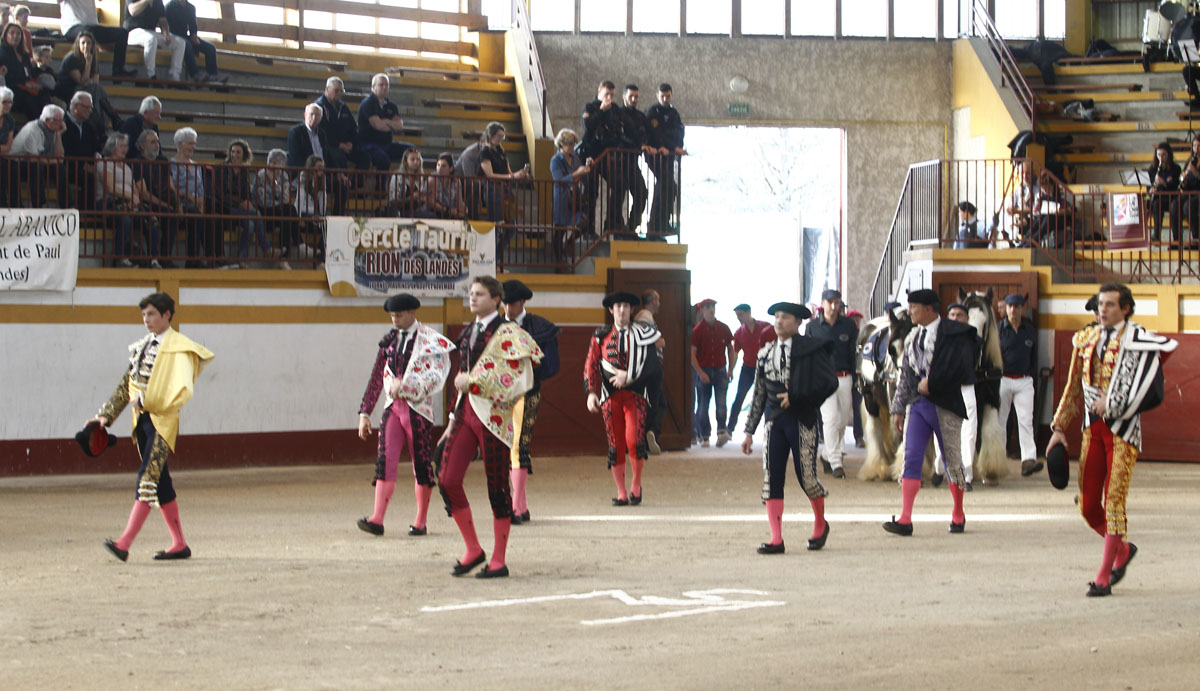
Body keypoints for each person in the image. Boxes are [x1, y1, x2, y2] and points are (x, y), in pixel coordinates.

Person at [1048, 283, 1176, 596]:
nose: (1102, 310)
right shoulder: (1085, 339)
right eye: (1100, 304)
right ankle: (1121, 550)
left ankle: (1104, 576)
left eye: (1109, 305)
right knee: (1089, 505)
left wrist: (1115, 401)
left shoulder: (1139, 340)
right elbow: (1074, 389)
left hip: (1124, 432)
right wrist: (1059, 428)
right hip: (1093, 429)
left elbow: (1145, 383)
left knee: (1114, 502)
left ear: (1126, 309)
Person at [89, 292, 214, 562]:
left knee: (147, 480)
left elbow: (181, 390)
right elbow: (127, 386)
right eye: (144, 315)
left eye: (152, 314)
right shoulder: (144, 345)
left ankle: (124, 543)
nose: (147, 320)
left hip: (162, 422)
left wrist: (145, 399)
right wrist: (105, 417)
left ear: (167, 314)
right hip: (143, 423)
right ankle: (179, 544)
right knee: (162, 485)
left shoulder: (180, 347)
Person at [437, 276, 543, 579]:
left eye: (479, 294)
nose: (473, 298)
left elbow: (516, 379)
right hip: (466, 412)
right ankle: (473, 549)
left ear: (496, 299)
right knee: (446, 478)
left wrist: (472, 382)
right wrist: (453, 416)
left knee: (496, 486)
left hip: (493, 417)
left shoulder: (509, 332)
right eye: (471, 293)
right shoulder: (468, 331)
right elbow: (462, 376)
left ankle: (499, 559)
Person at [740, 301, 837, 554]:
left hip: (802, 418)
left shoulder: (812, 349)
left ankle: (819, 524)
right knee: (772, 478)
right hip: (774, 421)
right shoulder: (764, 353)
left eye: (785, 317)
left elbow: (829, 383)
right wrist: (749, 431)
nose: (779, 321)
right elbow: (759, 394)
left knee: (807, 476)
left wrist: (798, 396)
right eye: (777, 317)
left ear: (798, 323)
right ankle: (776, 538)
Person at [356, 293, 454, 538]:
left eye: (399, 315)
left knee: (421, 465)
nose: (395, 320)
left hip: (418, 410)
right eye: (392, 316)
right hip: (393, 408)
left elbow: (436, 377)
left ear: (412, 313)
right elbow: (377, 376)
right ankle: (377, 518)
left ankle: (420, 521)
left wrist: (407, 387)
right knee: (384, 461)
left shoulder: (431, 341)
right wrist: (365, 412)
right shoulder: (389, 341)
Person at [883, 289, 978, 537]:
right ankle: (905, 518)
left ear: (928, 309)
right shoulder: (913, 336)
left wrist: (933, 383)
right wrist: (898, 408)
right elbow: (906, 375)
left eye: (914, 307)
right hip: (918, 405)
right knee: (911, 457)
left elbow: (962, 368)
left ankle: (958, 512)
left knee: (952, 461)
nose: (910, 311)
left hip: (945, 404)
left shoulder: (954, 333)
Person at [585, 291, 664, 506]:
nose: (622, 310)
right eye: (618, 306)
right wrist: (592, 392)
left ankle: (636, 485)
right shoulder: (600, 335)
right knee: (615, 444)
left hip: (636, 395)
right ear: (611, 310)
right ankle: (621, 492)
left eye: (626, 306)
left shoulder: (643, 334)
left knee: (634, 440)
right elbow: (591, 364)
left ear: (631, 310)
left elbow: (652, 365)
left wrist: (628, 376)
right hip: (610, 398)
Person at [501, 280, 560, 524]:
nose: (507, 309)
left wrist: (529, 366)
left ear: (523, 302)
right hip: (502, 396)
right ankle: (521, 506)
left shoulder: (539, 327)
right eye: (504, 303)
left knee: (518, 446)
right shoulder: (497, 326)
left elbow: (552, 365)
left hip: (527, 392)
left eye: (512, 304)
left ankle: (515, 506)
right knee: (508, 446)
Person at [807, 289, 858, 478]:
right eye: (830, 302)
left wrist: (855, 378)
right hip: (823, 378)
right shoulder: (812, 327)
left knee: (843, 420)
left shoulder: (849, 326)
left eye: (837, 302)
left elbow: (852, 354)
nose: (834, 306)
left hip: (845, 376)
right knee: (830, 419)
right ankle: (836, 462)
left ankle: (827, 454)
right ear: (823, 303)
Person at [931, 303, 979, 490]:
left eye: (960, 315)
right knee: (940, 431)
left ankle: (965, 476)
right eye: (952, 314)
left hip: (966, 387)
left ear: (967, 319)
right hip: (944, 388)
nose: (956, 318)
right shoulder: (937, 337)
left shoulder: (973, 338)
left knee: (968, 432)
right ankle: (940, 468)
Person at [997, 293, 1042, 477]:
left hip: (1024, 379)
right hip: (1003, 379)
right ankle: (998, 461)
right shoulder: (999, 329)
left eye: (1017, 306)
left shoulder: (1029, 330)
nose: (1013, 310)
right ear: (1006, 308)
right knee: (1001, 422)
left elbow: (1033, 357)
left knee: (1025, 421)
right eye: (1010, 306)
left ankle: (1028, 460)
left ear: (1023, 308)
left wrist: (1030, 376)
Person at [578, 80, 623, 233]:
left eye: (611, 95)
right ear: (599, 93)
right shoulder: (589, 107)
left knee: (619, 184)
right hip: (590, 154)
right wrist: (602, 110)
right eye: (606, 94)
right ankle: (587, 227)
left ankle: (611, 222)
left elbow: (618, 130)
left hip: (606, 155)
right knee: (591, 191)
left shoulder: (615, 109)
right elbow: (588, 127)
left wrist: (609, 113)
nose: (609, 97)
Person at [55, 30, 123, 132]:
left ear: (92, 45)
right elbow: (82, 81)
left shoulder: (93, 59)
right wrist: (88, 63)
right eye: (83, 43)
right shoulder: (71, 59)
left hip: (88, 91)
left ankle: (103, 125)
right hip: (69, 91)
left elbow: (95, 82)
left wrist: (90, 63)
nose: (86, 46)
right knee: (95, 93)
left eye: (89, 43)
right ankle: (113, 117)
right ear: (78, 44)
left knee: (96, 91)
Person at [169, 126, 217, 267]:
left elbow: (200, 188)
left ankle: (207, 259)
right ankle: (188, 259)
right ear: (180, 144)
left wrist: (200, 203)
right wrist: (188, 196)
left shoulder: (196, 166)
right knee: (194, 217)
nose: (193, 147)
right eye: (190, 143)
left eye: (194, 143)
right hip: (178, 203)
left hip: (195, 204)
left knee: (208, 219)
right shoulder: (171, 164)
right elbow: (171, 187)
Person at [216, 138, 268, 265]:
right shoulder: (222, 169)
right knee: (256, 215)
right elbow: (220, 193)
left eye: (238, 152)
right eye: (233, 152)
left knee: (250, 225)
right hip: (225, 206)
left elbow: (246, 193)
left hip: (240, 207)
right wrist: (239, 202)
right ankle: (267, 248)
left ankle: (242, 258)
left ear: (244, 154)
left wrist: (247, 202)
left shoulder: (244, 171)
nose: (235, 155)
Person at [131, 129, 178, 267]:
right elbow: (143, 193)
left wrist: (177, 204)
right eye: (152, 142)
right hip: (148, 202)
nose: (157, 145)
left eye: (157, 141)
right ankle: (154, 257)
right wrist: (164, 205)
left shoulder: (162, 160)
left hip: (165, 200)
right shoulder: (137, 162)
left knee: (174, 216)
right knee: (153, 217)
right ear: (142, 145)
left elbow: (171, 185)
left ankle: (165, 256)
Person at [691, 297, 734, 447]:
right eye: (708, 307)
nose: (711, 309)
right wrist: (700, 373)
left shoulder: (723, 328)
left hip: (721, 370)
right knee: (703, 405)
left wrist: (730, 369)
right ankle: (705, 435)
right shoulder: (697, 331)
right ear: (702, 310)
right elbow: (692, 354)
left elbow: (730, 348)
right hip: (704, 370)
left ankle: (721, 431)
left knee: (721, 403)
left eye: (713, 306)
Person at [95, 131, 142, 267]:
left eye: (126, 146)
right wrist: (130, 196)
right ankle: (120, 258)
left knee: (150, 220)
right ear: (112, 147)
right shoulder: (105, 164)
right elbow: (110, 188)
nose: (125, 149)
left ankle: (153, 259)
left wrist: (135, 199)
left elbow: (134, 188)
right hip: (108, 202)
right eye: (121, 146)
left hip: (127, 202)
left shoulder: (127, 168)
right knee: (124, 219)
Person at [645, 83, 686, 237]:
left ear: (671, 95)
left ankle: (662, 223)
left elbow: (678, 133)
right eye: (662, 96)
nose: (665, 99)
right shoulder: (652, 112)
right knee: (666, 184)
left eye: (668, 96)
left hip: (668, 154)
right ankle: (654, 224)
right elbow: (656, 134)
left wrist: (675, 147)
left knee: (669, 187)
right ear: (657, 96)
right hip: (655, 154)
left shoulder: (674, 113)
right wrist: (664, 145)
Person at [728, 303, 773, 436]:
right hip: (748, 368)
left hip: (765, 367)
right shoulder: (739, 333)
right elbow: (735, 353)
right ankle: (729, 428)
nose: (739, 318)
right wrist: (730, 369)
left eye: (741, 314)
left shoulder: (765, 327)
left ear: (749, 313)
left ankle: (768, 429)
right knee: (739, 397)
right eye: (737, 316)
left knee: (767, 398)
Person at [59, 0, 136, 78]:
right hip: (73, 27)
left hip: (92, 26)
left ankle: (118, 71)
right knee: (88, 32)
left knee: (122, 33)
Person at [11, 102, 65, 208]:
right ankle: (39, 203)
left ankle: (66, 204)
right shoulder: (33, 129)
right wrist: (54, 161)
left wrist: (58, 134)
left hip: (38, 162)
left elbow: (59, 156)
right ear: (47, 120)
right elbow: (33, 158)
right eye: (57, 120)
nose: (60, 124)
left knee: (60, 168)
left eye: (61, 120)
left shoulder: (54, 130)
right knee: (36, 167)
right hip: (16, 163)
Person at [253, 148, 300, 269]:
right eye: (271, 162)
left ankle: (284, 256)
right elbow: (263, 201)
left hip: (279, 212)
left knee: (288, 213)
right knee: (289, 210)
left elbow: (284, 197)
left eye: (276, 163)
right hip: (263, 212)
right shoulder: (261, 175)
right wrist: (276, 193)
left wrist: (274, 184)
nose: (272, 165)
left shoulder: (283, 176)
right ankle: (298, 245)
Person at [356, 73, 412, 174]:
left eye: (387, 85)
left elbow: (399, 126)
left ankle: (408, 183)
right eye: (381, 84)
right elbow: (378, 126)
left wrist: (385, 122)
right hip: (368, 145)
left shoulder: (391, 106)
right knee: (383, 159)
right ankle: (380, 188)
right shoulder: (368, 104)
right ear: (373, 87)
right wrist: (391, 124)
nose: (385, 87)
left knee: (412, 152)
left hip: (387, 144)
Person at [315, 76, 370, 174]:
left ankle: (355, 185)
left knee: (365, 157)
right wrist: (339, 145)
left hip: (346, 145)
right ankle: (341, 187)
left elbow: (353, 128)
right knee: (339, 158)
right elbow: (321, 131)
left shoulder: (343, 107)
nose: (339, 93)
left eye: (341, 91)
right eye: (336, 90)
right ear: (327, 89)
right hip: (330, 146)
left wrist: (351, 143)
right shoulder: (319, 107)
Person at [618, 83, 653, 235]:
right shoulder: (617, 114)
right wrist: (639, 144)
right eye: (631, 96)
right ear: (624, 96)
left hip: (632, 161)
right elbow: (620, 135)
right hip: (619, 160)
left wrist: (644, 144)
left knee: (641, 193)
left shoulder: (640, 116)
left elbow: (647, 135)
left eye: (636, 97)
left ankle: (632, 227)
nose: (634, 99)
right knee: (619, 192)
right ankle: (616, 225)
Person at [634, 289, 665, 454]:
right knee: (655, 403)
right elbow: (641, 341)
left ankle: (649, 434)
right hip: (651, 364)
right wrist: (658, 343)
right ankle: (650, 433)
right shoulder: (645, 316)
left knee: (657, 402)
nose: (659, 304)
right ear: (652, 301)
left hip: (644, 365)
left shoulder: (642, 316)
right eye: (658, 300)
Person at [164, 0, 226, 83]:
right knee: (187, 44)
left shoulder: (191, 8)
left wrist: (194, 35)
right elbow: (164, 23)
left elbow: (193, 25)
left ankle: (213, 75)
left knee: (210, 47)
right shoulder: (169, 6)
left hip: (186, 36)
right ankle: (195, 74)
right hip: (174, 36)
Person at [60, 90, 103, 211]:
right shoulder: (62, 123)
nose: (90, 111)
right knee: (89, 178)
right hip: (67, 166)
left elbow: (96, 148)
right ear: (75, 106)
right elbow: (63, 151)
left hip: (86, 167)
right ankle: (87, 212)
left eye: (91, 108)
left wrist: (95, 161)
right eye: (86, 107)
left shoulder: (88, 126)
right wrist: (82, 165)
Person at [124, 0, 185, 81]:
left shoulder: (158, 2)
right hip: (132, 32)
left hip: (150, 32)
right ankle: (151, 76)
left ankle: (174, 77)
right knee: (151, 39)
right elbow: (132, 11)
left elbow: (163, 20)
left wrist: (165, 33)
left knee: (180, 42)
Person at [1, 20, 47, 119]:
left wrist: (41, 70)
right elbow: (6, 76)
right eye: (12, 33)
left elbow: (29, 72)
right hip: (11, 88)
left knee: (45, 94)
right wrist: (25, 83)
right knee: (31, 100)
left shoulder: (24, 54)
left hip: (27, 86)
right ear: (6, 36)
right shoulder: (2, 52)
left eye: (18, 33)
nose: (15, 36)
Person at [1147, 141, 1181, 243]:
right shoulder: (1153, 168)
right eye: (1159, 155)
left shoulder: (1176, 168)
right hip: (1159, 198)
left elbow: (1176, 186)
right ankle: (1156, 235)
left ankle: (1176, 239)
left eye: (1164, 155)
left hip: (1172, 198)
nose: (1161, 158)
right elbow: (1148, 184)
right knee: (1156, 204)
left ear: (1169, 155)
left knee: (1174, 208)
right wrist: (1150, 188)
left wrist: (1164, 183)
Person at [387, 147, 428, 217]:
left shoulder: (419, 178)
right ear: (406, 161)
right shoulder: (398, 177)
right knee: (429, 215)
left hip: (415, 211)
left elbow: (419, 201)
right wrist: (410, 198)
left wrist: (423, 199)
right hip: (400, 212)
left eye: (418, 159)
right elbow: (393, 202)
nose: (416, 162)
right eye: (412, 159)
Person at [286, 103, 328, 168]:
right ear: (305, 115)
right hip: (304, 171)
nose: (314, 117)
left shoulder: (322, 133)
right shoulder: (295, 132)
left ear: (320, 118)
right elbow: (295, 156)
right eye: (311, 114)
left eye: (317, 115)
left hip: (322, 171)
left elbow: (327, 155)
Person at [119, 95, 161, 159]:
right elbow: (124, 149)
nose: (159, 117)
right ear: (145, 113)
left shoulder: (154, 127)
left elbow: (158, 151)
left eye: (159, 113)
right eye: (156, 113)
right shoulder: (130, 124)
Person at [428, 152, 465, 220]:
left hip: (450, 211)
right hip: (435, 211)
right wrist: (447, 210)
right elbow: (431, 202)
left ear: (450, 168)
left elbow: (459, 202)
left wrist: (462, 211)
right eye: (438, 165)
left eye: (443, 166)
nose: (440, 168)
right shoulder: (433, 179)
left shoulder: (456, 181)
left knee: (463, 218)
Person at [1178, 138, 1200, 250]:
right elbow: (1186, 185)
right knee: (1175, 204)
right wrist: (1184, 180)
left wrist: (1195, 172)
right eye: (1195, 145)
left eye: (1199, 146)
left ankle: (1196, 238)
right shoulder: (1190, 161)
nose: (1197, 148)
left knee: (1188, 206)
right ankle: (1176, 240)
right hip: (1190, 192)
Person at [0, 86, 18, 206]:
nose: (8, 105)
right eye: (4, 102)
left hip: (3, 158)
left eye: (10, 102)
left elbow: (8, 147)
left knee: (12, 167)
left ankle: (13, 205)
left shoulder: (10, 120)